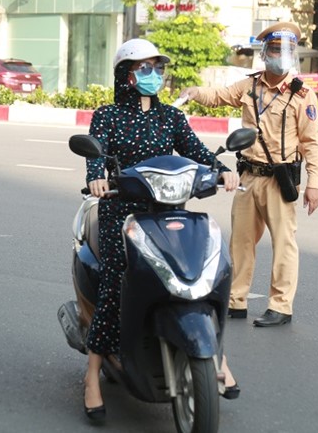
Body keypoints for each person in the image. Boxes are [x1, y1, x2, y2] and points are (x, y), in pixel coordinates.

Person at [82, 38, 240, 422]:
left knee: (205, 271)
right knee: (116, 281)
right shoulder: (107, 116)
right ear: (127, 75)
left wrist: (222, 170)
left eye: (158, 68)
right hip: (123, 212)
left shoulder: (170, 117)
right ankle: (92, 375)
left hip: (169, 210)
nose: (154, 75)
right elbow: (96, 156)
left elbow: (196, 151)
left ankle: (216, 355)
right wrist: (96, 179)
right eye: (145, 68)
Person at [179, 22, 318, 328]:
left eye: (286, 51)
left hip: (280, 179)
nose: (280, 56)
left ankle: (280, 306)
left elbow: (311, 144)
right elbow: (218, 95)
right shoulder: (250, 86)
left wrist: (314, 185)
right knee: (241, 242)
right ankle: (236, 300)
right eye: (274, 50)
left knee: (284, 244)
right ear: (265, 53)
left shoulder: (302, 95)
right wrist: (194, 92)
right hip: (248, 177)